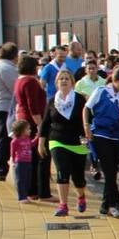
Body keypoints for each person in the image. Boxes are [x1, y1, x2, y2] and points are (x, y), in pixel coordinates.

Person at [38, 68, 90, 217]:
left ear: (72, 83)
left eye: (67, 78)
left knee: (78, 177)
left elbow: (87, 120)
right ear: (56, 83)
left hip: (77, 141)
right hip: (57, 141)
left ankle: (81, 195)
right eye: (61, 79)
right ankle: (63, 205)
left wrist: (87, 138)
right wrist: (41, 143)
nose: (64, 81)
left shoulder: (80, 99)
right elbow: (46, 123)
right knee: (62, 171)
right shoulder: (52, 101)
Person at [82, 67, 119, 218]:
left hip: (116, 136)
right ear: (115, 80)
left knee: (112, 171)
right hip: (101, 134)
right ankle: (112, 204)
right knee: (109, 170)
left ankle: (105, 205)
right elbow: (87, 108)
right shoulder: (101, 91)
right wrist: (86, 127)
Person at [13, 54, 51, 201]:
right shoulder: (30, 82)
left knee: (31, 159)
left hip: (23, 120)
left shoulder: (19, 80)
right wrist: (41, 125)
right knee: (41, 156)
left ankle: (32, 190)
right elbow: (33, 106)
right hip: (33, 122)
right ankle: (42, 192)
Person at [0, 42, 19, 182]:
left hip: (1, 105)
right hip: (6, 106)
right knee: (4, 139)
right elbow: (15, 89)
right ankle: (1, 168)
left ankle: (0, 166)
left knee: (2, 138)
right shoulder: (6, 68)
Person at [9, 119, 35, 203]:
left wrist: (38, 137)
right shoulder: (15, 141)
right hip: (20, 162)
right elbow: (12, 152)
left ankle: (25, 195)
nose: (30, 130)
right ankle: (22, 197)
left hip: (28, 162)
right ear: (21, 130)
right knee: (21, 180)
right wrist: (13, 161)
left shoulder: (27, 139)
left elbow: (31, 144)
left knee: (28, 179)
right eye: (28, 129)